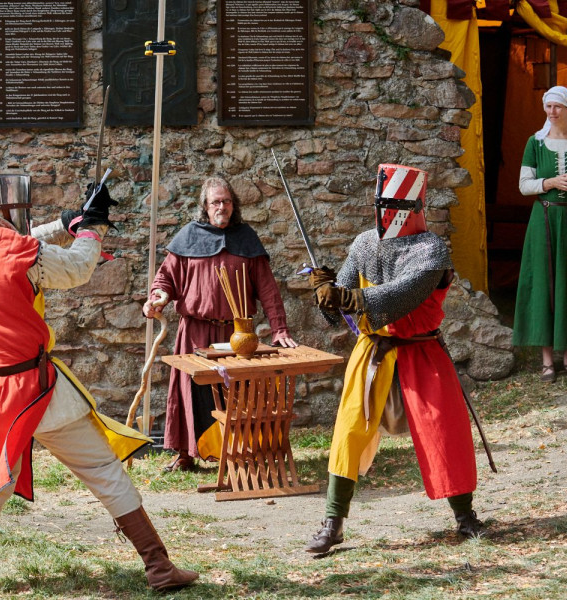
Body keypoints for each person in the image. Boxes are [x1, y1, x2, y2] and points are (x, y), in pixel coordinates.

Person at [0, 175, 198, 593]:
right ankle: (158, 566)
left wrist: (65, 222)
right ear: (12, 211)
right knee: (103, 469)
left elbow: (24, 244)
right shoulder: (13, 247)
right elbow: (76, 267)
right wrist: (93, 227)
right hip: (30, 391)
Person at [304, 164, 484, 554]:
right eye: (381, 204)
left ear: (413, 208)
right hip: (373, 352)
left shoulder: (431, 251)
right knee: (348, 432)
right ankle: (333, 523)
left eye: (391, 206)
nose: (383, 213)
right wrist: (327, 294)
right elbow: (340, 310)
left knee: (443, 432)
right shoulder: (364, 244)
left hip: (421, 353)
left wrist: (350, 298)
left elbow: (402, 296)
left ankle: (465, 516)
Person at [142, 176, 297, 472]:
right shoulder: (188, 237)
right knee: (190, 392)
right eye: (216, 202)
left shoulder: (246, 238)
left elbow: (268, 290)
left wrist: (279, 329)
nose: (221, 207)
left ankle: (238, 453)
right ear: (205, 205)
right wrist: (157, 297)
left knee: (236, 395)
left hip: (237, 334)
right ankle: (186, 454)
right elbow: (165, 279)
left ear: (233, 205)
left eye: (226, 201)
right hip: (194, 332)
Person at [515, 85, 567, 383]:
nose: (552, 111)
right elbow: (524, 185)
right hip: (545, 218)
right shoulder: (535, 142)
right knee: (544, 283)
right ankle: (547, 359)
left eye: (558, 106)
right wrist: (550, 183)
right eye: (548, 106)